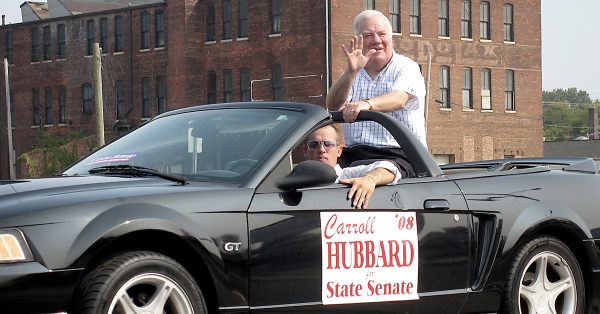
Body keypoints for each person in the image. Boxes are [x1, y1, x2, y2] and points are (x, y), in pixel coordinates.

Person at [325, 9, 426, 178]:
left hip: (399, 156)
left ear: (391, 38)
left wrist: (366, 104)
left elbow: (400, 99)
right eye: (368, 36)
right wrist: (350, 73)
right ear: (358, 40)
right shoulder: (353, 72)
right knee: (320, 175)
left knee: (372, 178)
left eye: (381, 34)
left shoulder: (406, 67)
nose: (376, 40)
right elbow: (333, 105)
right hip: (355, 156)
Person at [304, 125, 400, 209]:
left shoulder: (350, 175)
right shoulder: (296, 180)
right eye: (314, 144)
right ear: (305, 151)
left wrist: (371, 179)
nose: (321, 150)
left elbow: (391, 169)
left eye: (328, 144)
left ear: (339, 151)